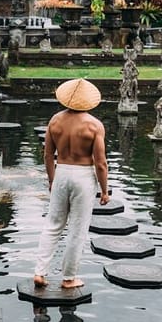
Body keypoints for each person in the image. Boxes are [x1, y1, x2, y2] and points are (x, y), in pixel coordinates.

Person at [34, 78, 110, 289]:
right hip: (84, 176)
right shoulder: (94, 125)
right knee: (77, 229)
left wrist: (52, 180)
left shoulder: (55, 121)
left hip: (62, 172)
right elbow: (101, 163)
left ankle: (40, 272)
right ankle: (69, 278)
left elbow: (48, 155)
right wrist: (104, 191)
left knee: (53, 225)